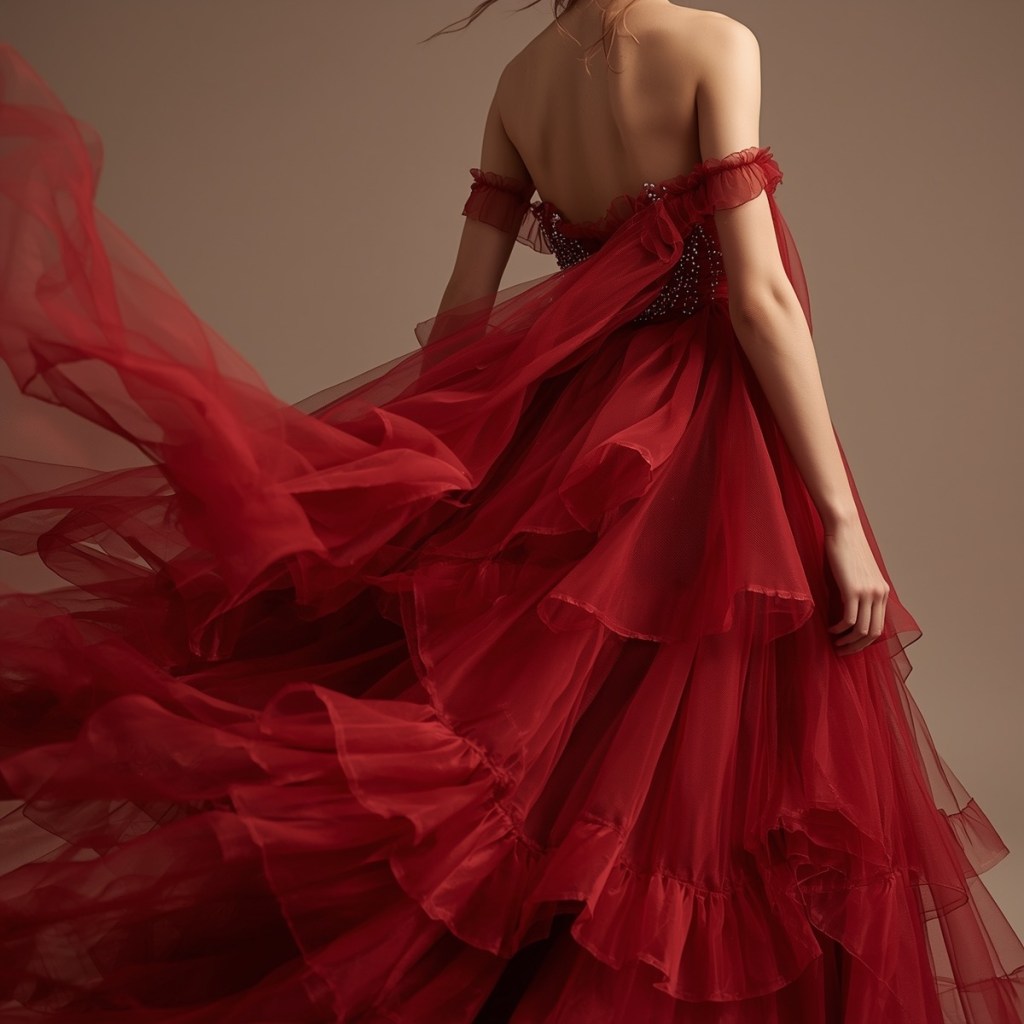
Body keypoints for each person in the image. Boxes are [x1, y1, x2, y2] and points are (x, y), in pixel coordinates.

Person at [0, 2, 1021, 1021]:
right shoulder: (716, 43)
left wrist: (434, 472)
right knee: (702, 752)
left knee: (568, 754)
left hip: (574, 428)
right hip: (709, 437)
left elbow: (461, 316)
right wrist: (838, 520)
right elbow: (756, 299)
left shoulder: (522, 80)